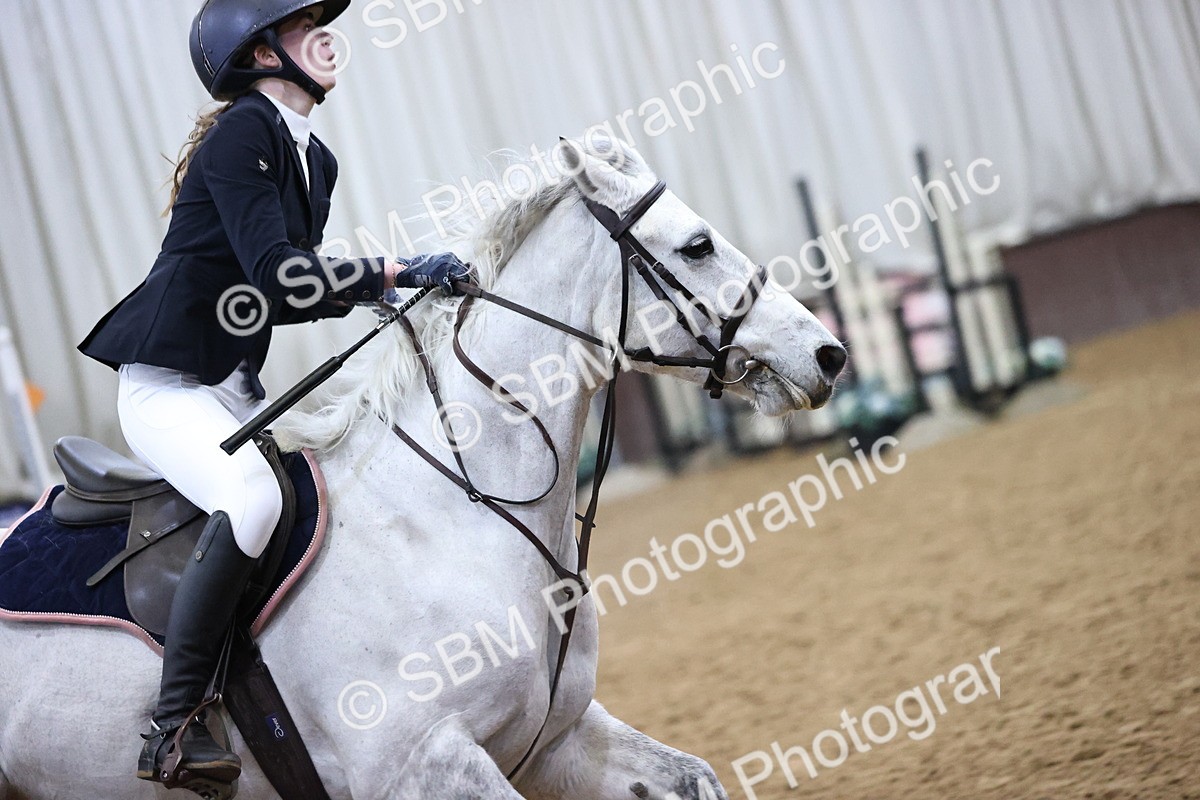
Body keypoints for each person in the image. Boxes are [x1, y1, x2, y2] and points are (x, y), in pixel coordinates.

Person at [77, 0, 471, 787]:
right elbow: (281, 278)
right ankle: (171, 725)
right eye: (303, 26)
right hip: (165, 386)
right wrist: (390, 272)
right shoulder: (242, 135)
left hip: (229, 384)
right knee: (254, 501)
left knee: (330, 497)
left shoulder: (313, 158)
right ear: (259, 54)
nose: (325, 38)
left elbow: (295, 286)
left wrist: (375, 294)